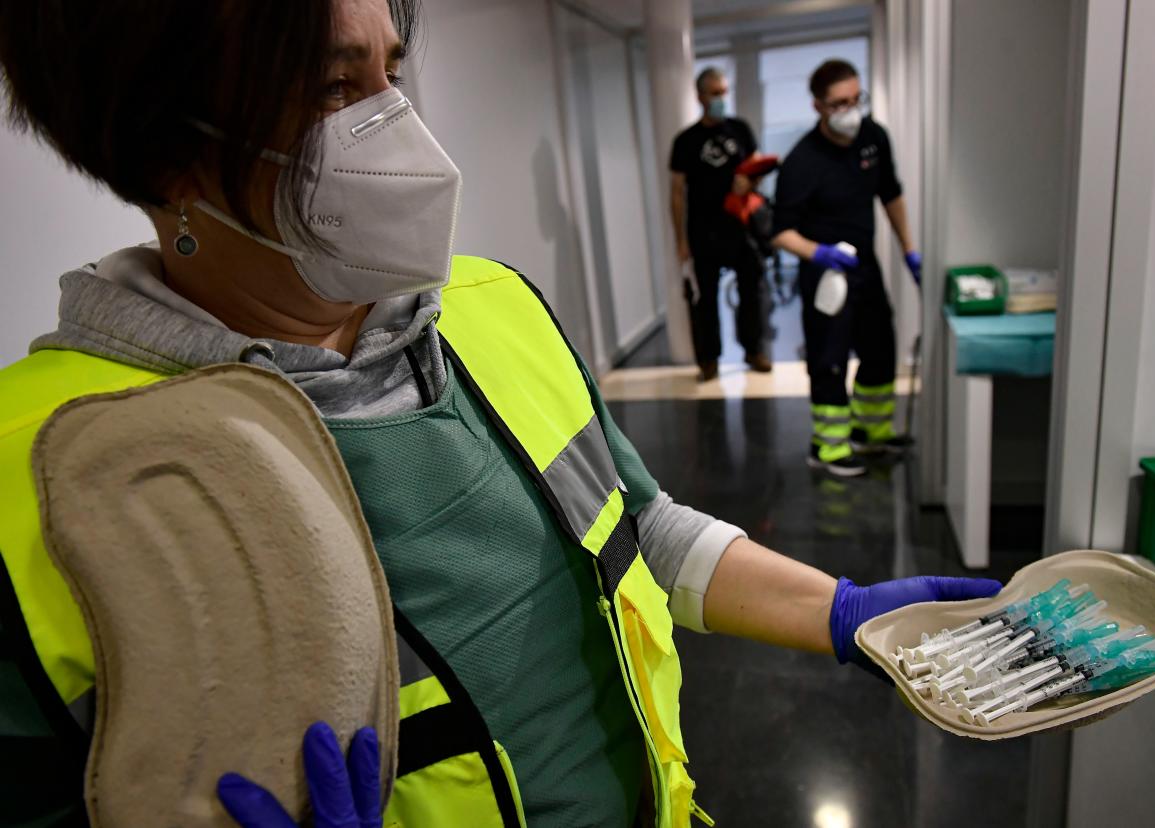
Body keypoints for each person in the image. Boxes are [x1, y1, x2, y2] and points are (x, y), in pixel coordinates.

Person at [0, 4, 998, 826]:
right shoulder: (45, 477)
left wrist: (839, 612)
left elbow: (634, 528)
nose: (400, 129)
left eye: (392, 69)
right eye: (332, 89)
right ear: (166, 150)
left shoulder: (491, 306)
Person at [772, 59, 923, 479]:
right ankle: (828, 445)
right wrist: (819, 253)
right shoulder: (802, 161)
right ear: (818, 106)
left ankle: (871, 432)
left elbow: (891, 195)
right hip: (825, 273)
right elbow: (780, 232)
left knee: (880, 344)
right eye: (840, 103)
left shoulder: (873, 138)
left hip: (865, 266)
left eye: (857, 99)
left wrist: (910, 250)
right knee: (829, 357)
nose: (852, 110)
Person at [669, 67, 771, 382]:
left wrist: (749, 182)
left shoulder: (740, 129)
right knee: (706, 298)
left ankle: (753, 349)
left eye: (724, 92)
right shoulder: (686, 140)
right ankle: (709, 359)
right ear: (700, 96)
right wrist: (681, 240)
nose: (721, 99)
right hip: (704, 230)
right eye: (715, 93)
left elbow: (758, 167)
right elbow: (676, 194)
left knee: (752, 290)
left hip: (740, 227)